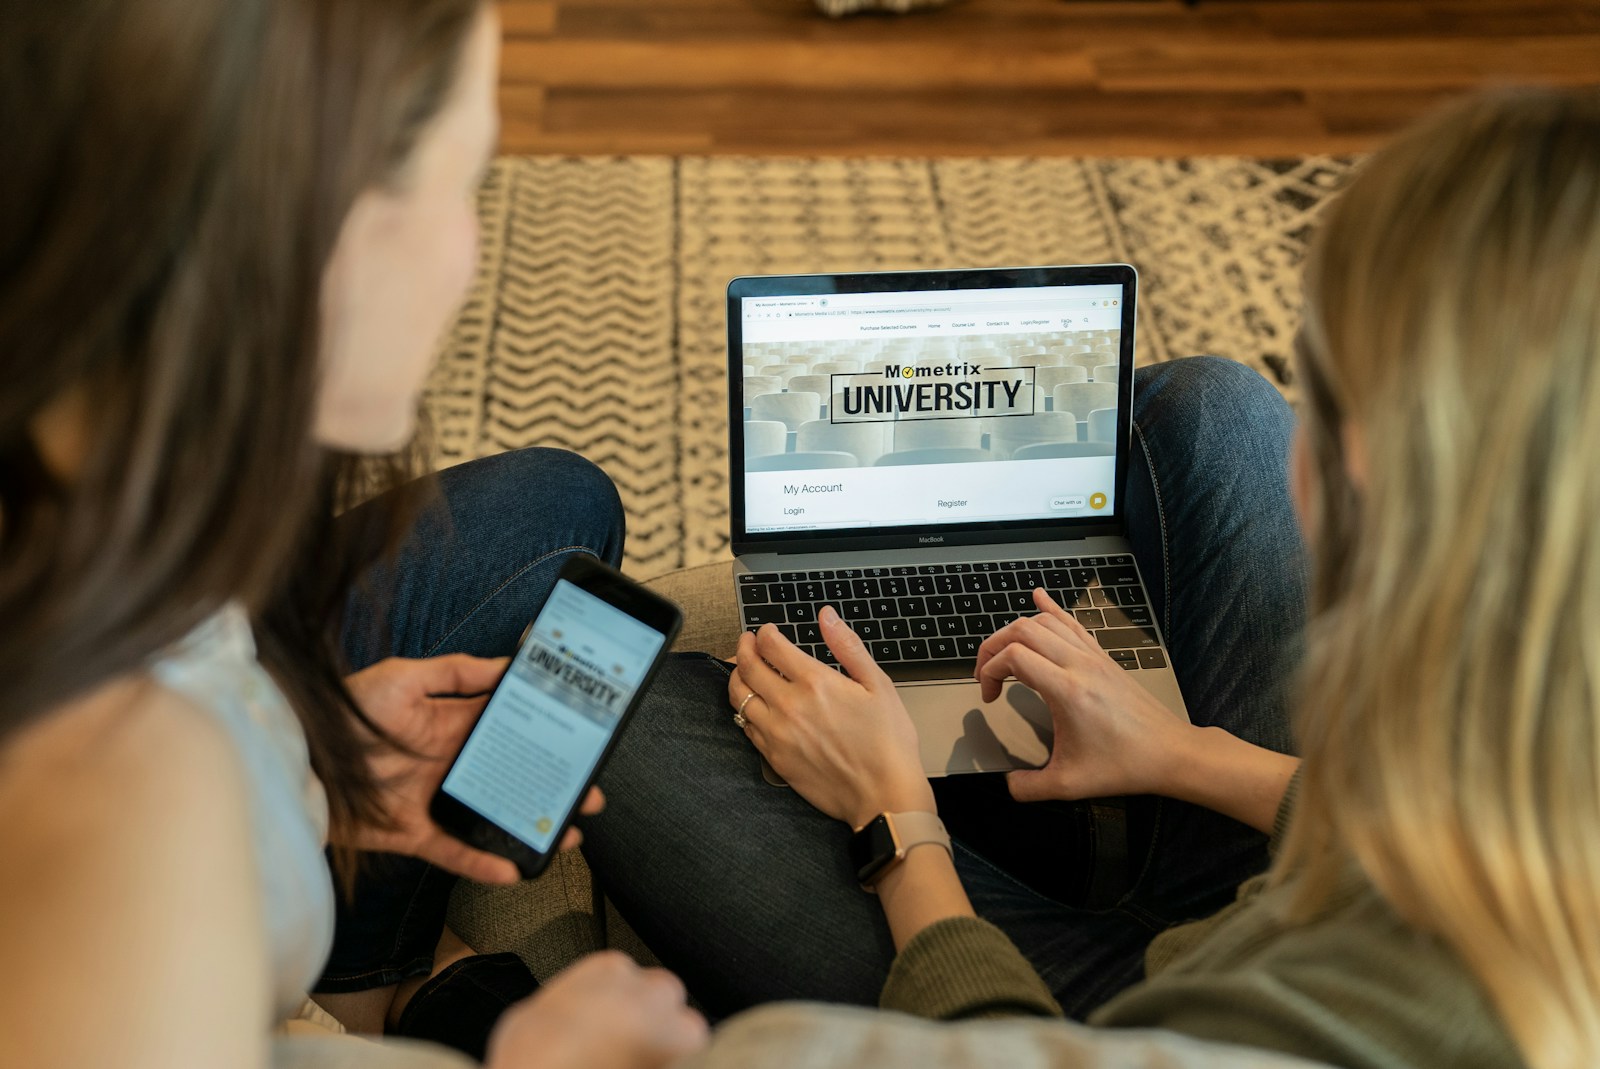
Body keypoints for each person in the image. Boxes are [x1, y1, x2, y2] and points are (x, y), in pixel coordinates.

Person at [583, 87, 1600, 1069]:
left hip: (1079, 1013)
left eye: (1320, 377)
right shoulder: (1533, 755)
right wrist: (1185, 752)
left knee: (616, 713)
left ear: (1366, 459)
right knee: (1214, 405)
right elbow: (1422, 839)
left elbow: (1012, 1048)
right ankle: (1072, 827)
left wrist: (894, 811)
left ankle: (1008, 836)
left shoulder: (1323, 1018)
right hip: (1281, 872)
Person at [0, 1, 706, 1066]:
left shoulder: (102, 494)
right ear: (312, 228)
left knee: (558, 504)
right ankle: (385, 992)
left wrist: (297, 757)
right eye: (467, 184)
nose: (475, 257)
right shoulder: (128, 805)